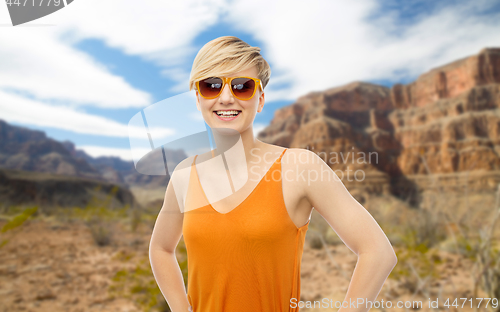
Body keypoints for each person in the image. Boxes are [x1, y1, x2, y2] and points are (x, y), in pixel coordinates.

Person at [149, 36, 397, 312]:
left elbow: (378, 252)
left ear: (260, 99)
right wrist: (180, 308)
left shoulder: (299, 167)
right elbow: (160, 249)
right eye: (212, 85)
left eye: (242, 86)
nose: (227, 97)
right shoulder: (185, 175)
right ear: (198, 98)